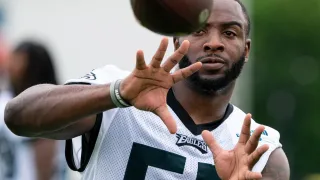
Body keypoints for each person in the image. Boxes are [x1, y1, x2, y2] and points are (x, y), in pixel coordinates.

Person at [4, 0, 290, 179]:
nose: (214, 42)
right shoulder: (118, 91)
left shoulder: (261, 149)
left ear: (247, 49)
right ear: (177, 41)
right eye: (200, 30)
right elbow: (18, 116)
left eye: (229, 32)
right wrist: (116, 94)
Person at [0, 40, 66, 180]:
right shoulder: (6, 100)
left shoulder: (44, 108)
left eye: (17, 61)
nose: (10, 66)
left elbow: (44, 169)